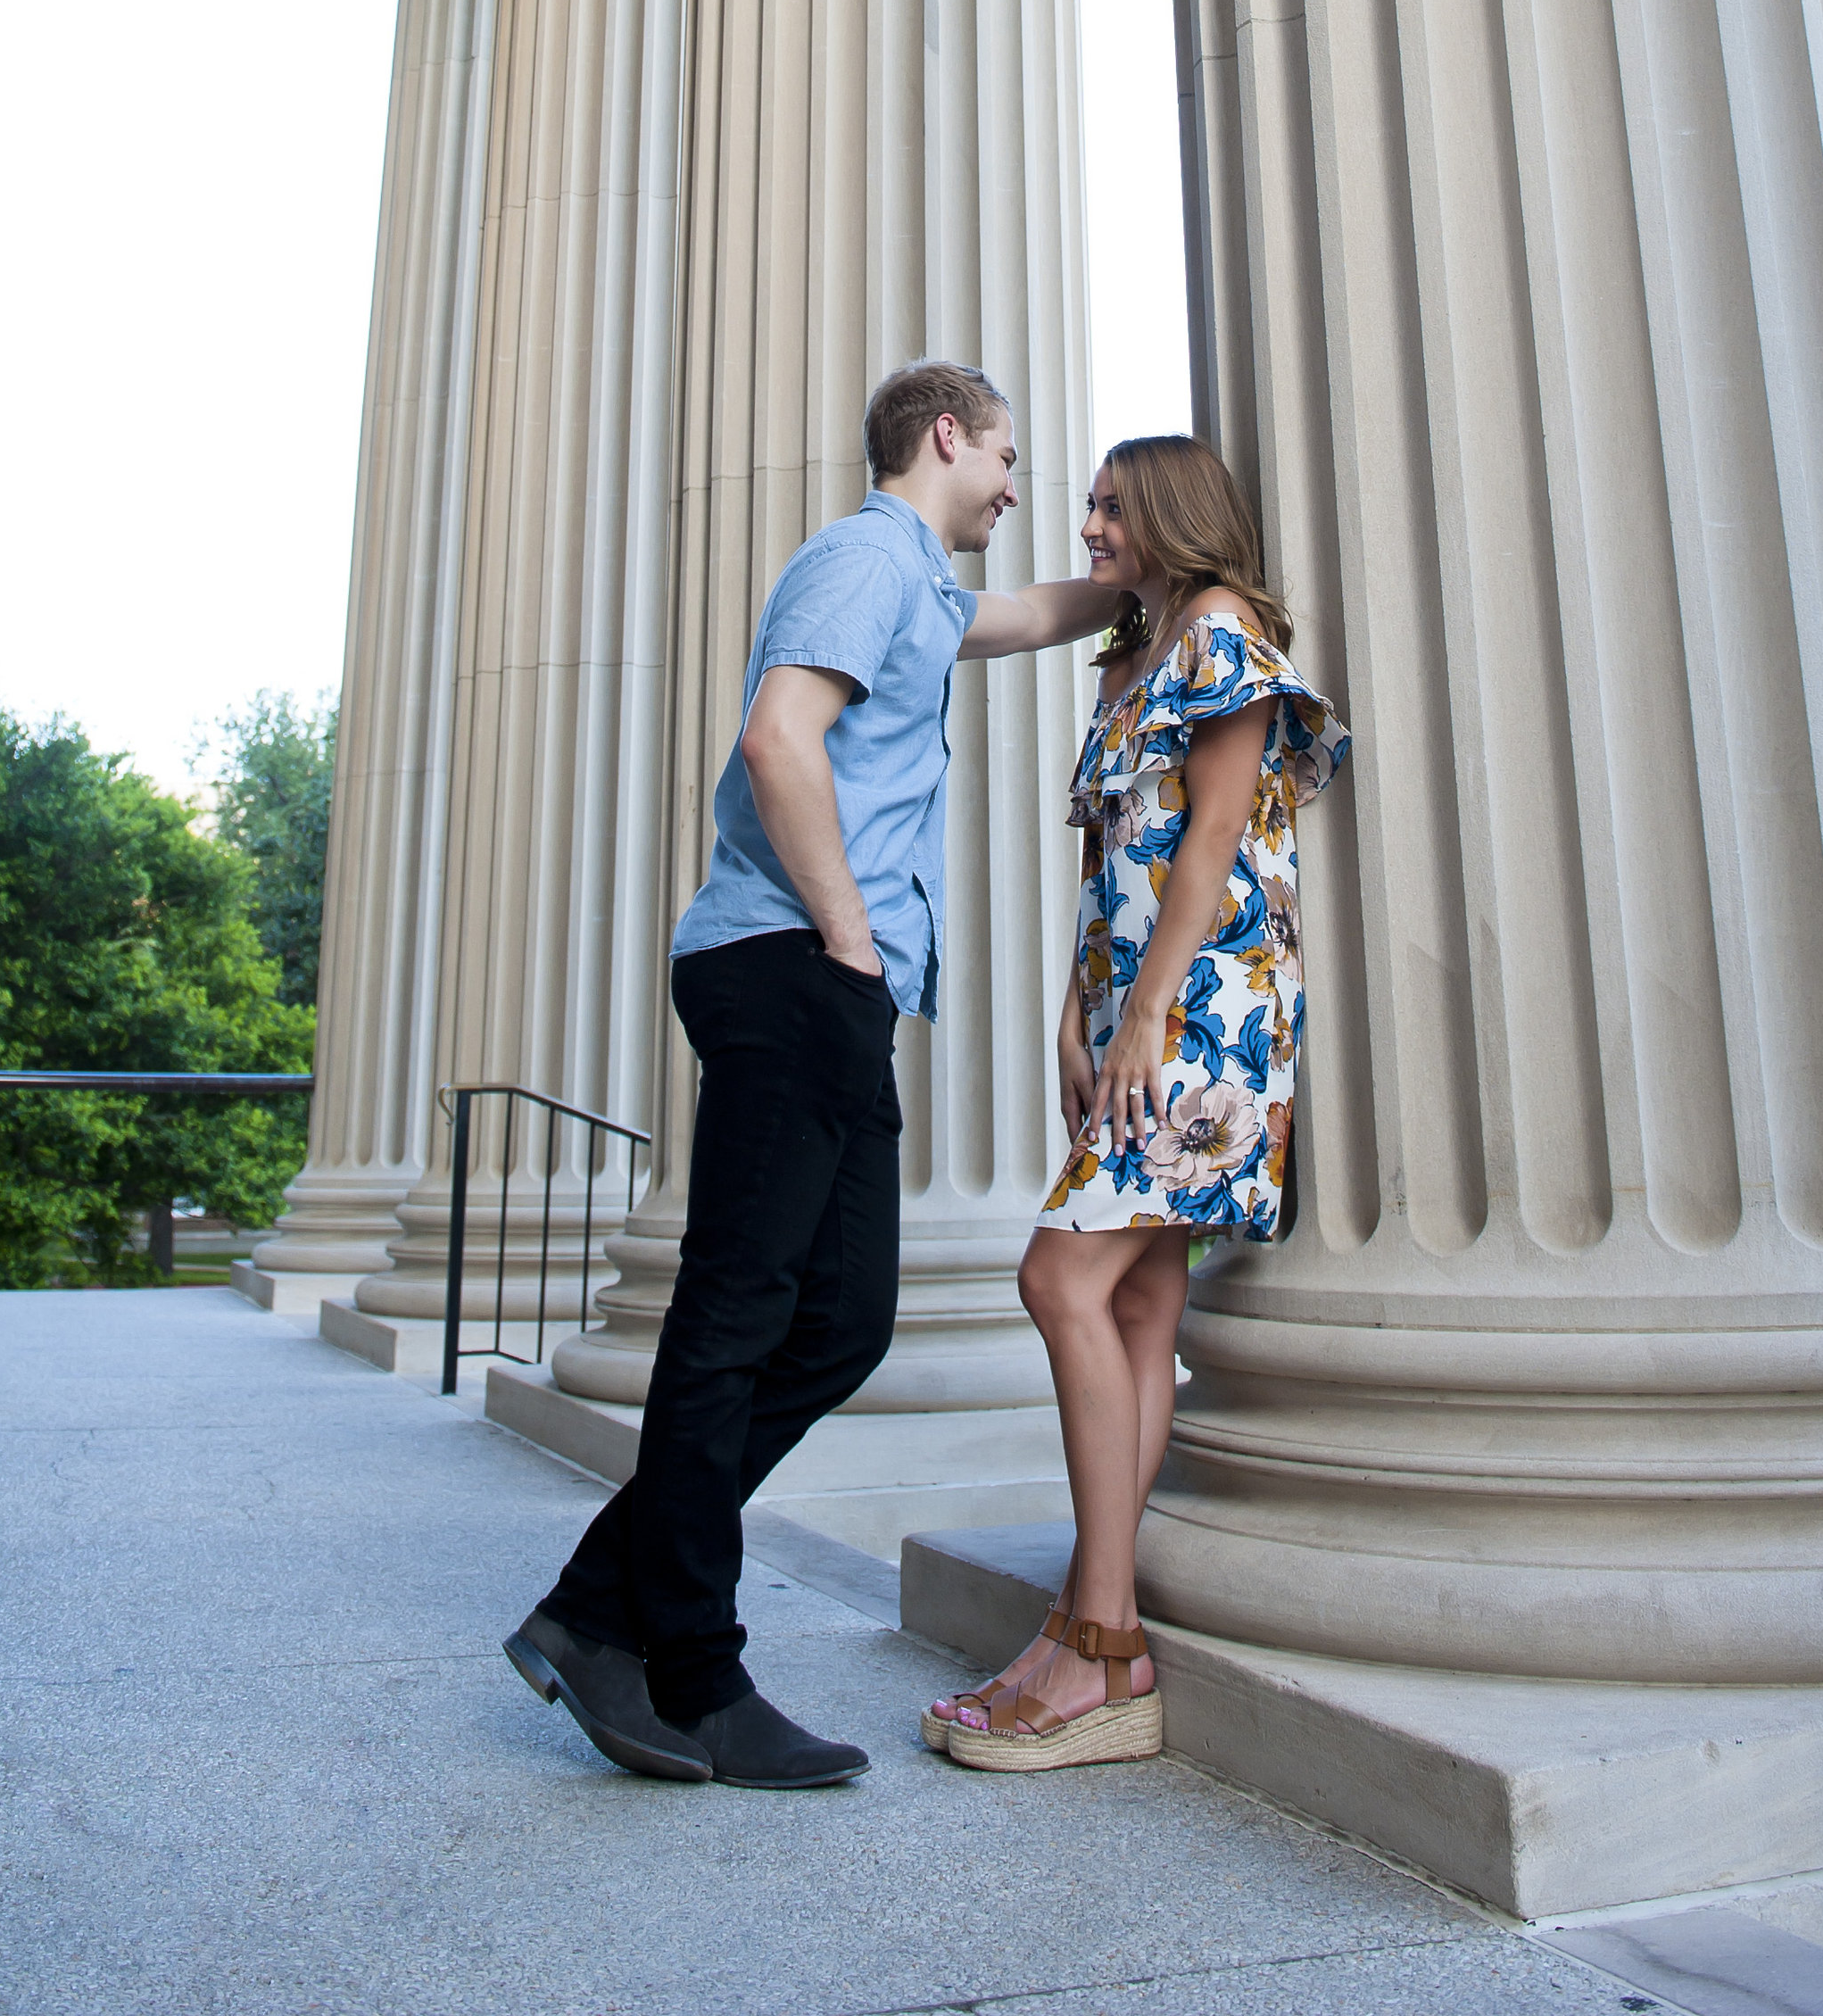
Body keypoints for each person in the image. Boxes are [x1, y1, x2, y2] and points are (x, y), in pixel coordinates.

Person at [505, 360, 1119, 1790]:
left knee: (837, 1322)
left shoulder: (915, 582)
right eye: (1010, 459)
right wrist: (848, 940)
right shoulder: (862, 556)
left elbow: (1022, 615)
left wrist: (1143, 579)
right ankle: (690, 1670)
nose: (1020, 491)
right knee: (736, 1317)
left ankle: (595, 1615)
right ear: (946, 436)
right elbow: (778, 737)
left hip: (819, 975)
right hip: (795, 963)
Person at [930, 432, 1348, 1771]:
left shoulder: (1221, 631)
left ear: (1170, 514)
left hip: (1207, 1020)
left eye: (1111, 508)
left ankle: (1103, 1642)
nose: (1091, 527)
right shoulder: (1132, 655)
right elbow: (1120, 847)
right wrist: (1078, 1003)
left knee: (1058, 1283)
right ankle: (1084, 1629)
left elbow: (1216, 837)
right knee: (1139, 1298)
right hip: (1136, 1008)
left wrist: (1151, 1013)